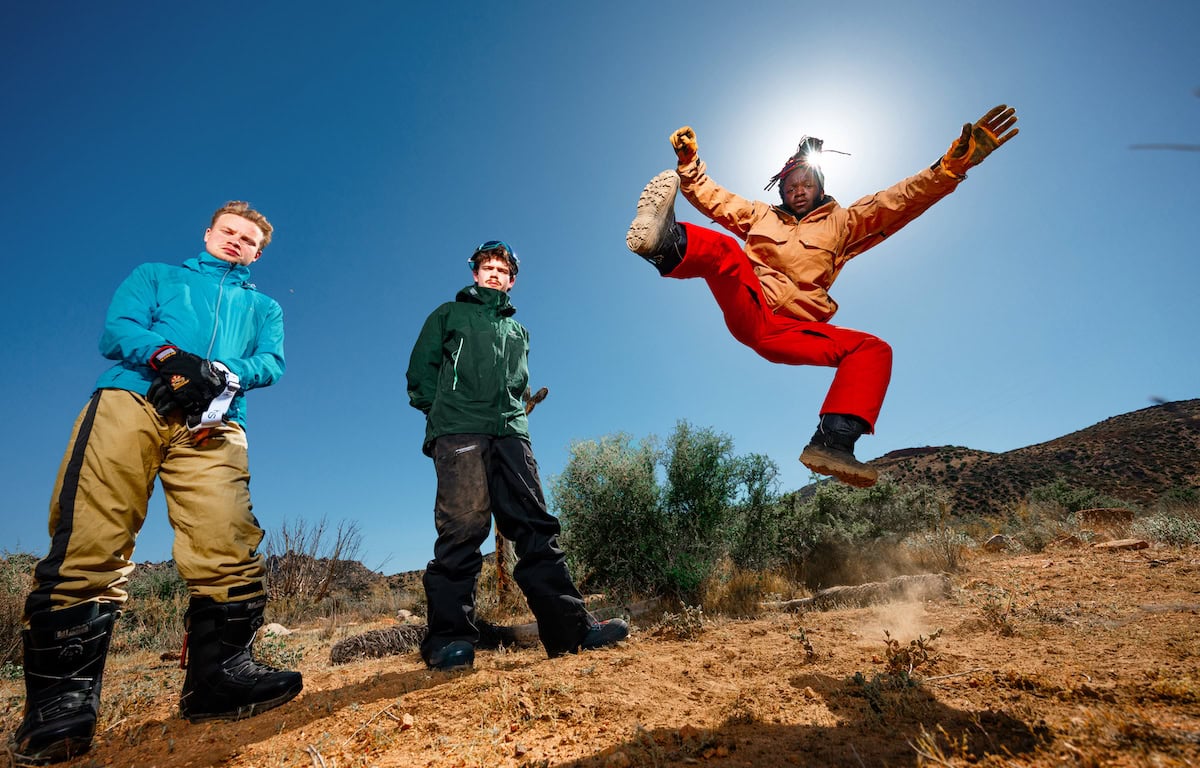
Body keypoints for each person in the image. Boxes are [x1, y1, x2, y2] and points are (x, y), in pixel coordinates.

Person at [11, 202, 302, 765]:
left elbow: (272, 362)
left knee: (228, 539)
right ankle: (61, 705)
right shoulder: (156, 276)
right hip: (132, 400)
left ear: (259, 252)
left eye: (249, 240)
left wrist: (223, 375)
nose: (237, 243)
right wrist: (172, 359)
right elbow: (118, 329)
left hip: (214, 423)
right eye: (229, 233)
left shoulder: (264, 307)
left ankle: (219, 683)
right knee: (94, 533)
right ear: (208, 234)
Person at [626, 106, 1019, 488]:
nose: (799, 192)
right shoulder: (760, 216)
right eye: (791, 187)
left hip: (795, 329)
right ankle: (662, 242)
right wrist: (690, 162)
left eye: (806, 185)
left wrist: (949, 168)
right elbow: (715, 198)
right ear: (781, 190)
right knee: (727, 253)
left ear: (820, 188)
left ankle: (832, 445)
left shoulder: (844, 223)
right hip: (752, 304)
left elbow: (899, 200)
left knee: (872, 350)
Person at [406, 240, 629, 670]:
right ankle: (448, 642)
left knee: (536, 526)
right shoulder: (448, 315)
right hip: (459, 432)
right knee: (463, 530)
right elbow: (420, 373)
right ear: (475, 273)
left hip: (511, 431)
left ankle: (571, 631)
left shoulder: (518, 331)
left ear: (511, 280)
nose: (493, 273)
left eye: (501, 269)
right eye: (486, 267)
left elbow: (516, 384)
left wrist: (514, 419)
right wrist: (444, 413)